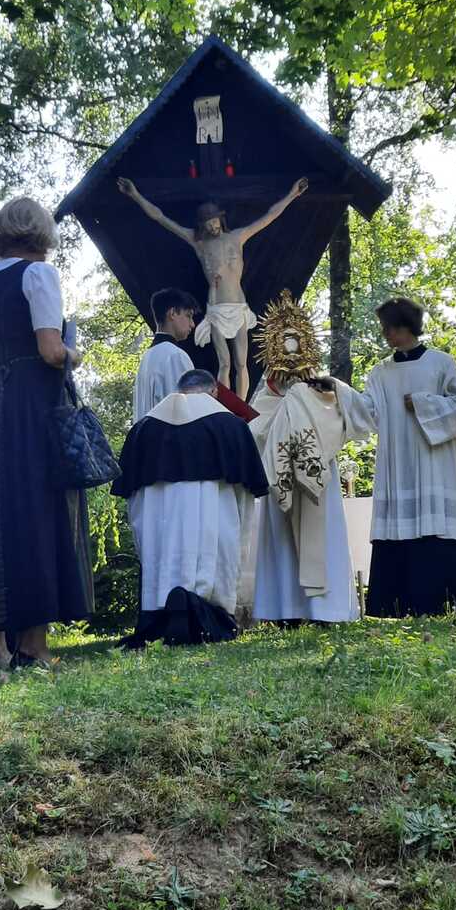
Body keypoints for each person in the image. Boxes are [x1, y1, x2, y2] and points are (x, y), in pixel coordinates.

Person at [0, 197, 93, 668]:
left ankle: (0, 646)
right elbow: (51, 351)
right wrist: (76, 354)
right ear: (42, 233)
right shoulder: (37, 275)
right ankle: (33, 646)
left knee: (2, 517)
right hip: (30, 407)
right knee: (38, 512)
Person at [112, 369, 268, 647]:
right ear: (214, 392)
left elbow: (134, 500)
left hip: (160, 526)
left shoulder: (144, 428)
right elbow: (247, 493)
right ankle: (208, 617)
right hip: (213, 523)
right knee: (215, 552)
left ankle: (161, 615)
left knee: (161, 555)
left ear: (180, 389)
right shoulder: (230, 426)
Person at [117, 175, 308, 399]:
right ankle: (223, 405)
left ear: (220, 219)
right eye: (207, 223)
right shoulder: (199, 243)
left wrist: (292, 194)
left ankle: (242, 405)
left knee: (241, 362)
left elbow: (269, 216)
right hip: (216, 308)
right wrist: (135, 195)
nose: (212, 226)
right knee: (224, 363)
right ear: (202, 226)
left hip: (238, 305)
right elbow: (162, 218)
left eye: (214, 221)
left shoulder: (237, 237)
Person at [250, 291, 371, 624]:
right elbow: (255, 432)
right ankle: (286, 610)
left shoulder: (324, 391)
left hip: (318, 482)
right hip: (282, 482)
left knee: (324, 538)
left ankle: (326, 610)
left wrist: (326, 392)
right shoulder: (265, 399)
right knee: (282, 544)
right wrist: (284, 420)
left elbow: (354, 416)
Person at [358, 296, 456, 617]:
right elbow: (366, 410)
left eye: (389, 327)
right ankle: (396, 606)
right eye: (384, 328)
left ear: (406, 326)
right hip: (397, 463)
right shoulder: (380, 373)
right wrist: (336, 395)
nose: (385, 334)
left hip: (433, 461)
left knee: (433, 530)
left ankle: (443, 602)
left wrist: (425, 403)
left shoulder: (441, 363)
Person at [133, 286, 196, 422]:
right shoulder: (175, 355)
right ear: (172, 313)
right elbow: (184, 411)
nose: (192, 324)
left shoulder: (146, 358)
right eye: (188, 316)